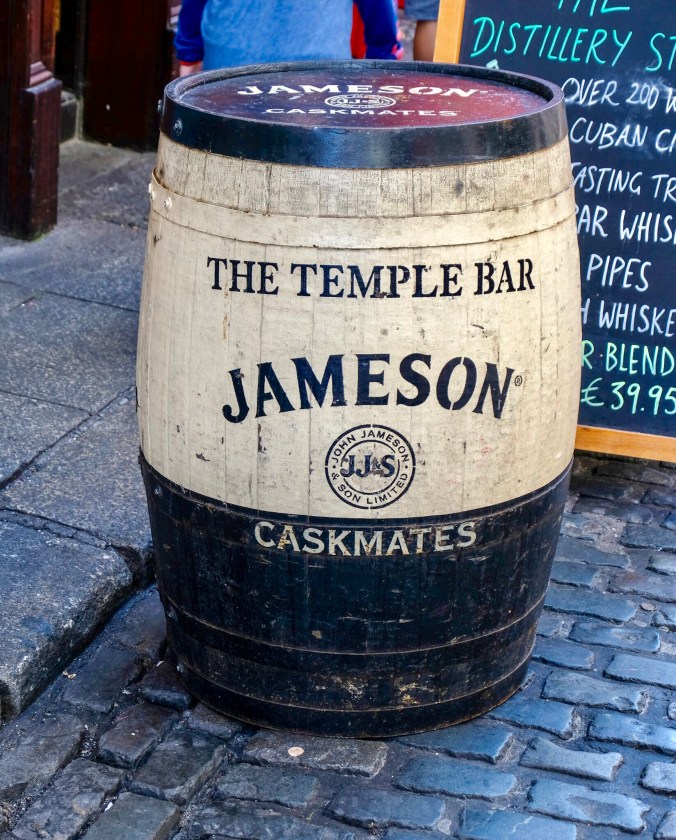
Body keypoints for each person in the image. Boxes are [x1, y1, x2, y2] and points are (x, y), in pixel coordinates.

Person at [176, 0, 401, 76]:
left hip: (227, 65)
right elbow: (379, 10)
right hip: (318, 75)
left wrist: (189, 53)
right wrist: (382, 59)